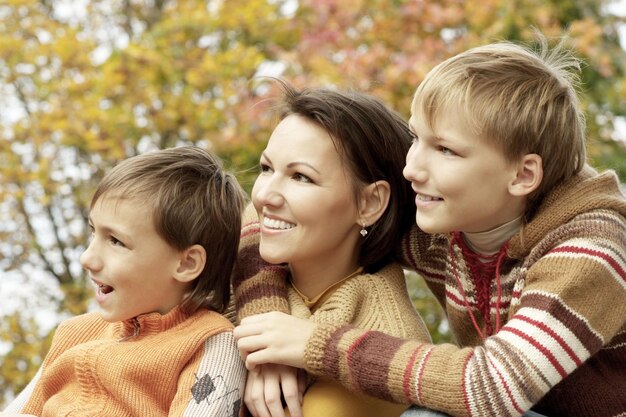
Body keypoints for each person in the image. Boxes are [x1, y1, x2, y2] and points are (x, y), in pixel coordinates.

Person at [233, 37, 626, 417]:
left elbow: (492, 387)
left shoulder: (590, 249)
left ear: (523, 175)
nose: (411, 169)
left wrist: (313, 344)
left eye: (445, 150)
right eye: (415, 137)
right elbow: (264, 212)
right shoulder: (442, 211)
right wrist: (267, 337)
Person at [233, 81, 431, 417]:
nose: (265, 194)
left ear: (370, 203)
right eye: (267, 168)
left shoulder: (383, 337)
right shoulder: (234, 268)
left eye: (301, 177)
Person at [2, 146, 247, 417]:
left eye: (116, 241)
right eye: (93, 232)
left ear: (186, 263)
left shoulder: (212, 344)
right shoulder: (74, 333)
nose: (87, 258)